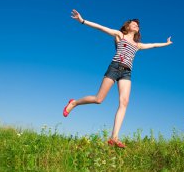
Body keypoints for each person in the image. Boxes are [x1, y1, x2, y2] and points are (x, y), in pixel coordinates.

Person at [63, 9, 173, 149]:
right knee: (99, 99)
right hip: (114, 68)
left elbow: (153, 45)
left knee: (124, 102)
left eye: (137, 25)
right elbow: (101, 27)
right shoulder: (119, 35)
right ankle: (74, 103)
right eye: (133, 23)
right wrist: (82, 21)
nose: (136, 25)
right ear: (127, 26)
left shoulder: (137, 45)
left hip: (126, 73)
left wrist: (166, 43)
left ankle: (114, 137)